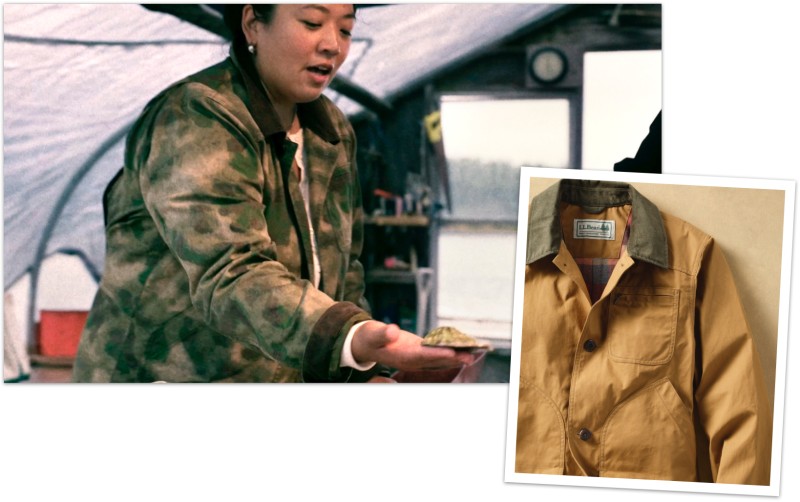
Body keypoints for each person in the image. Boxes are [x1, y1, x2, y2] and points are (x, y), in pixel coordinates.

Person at [72, 4, 475, 382]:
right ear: (252, 24)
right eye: (312, 23)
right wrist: (348, 337)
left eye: (346, 28)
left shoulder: (329, 129)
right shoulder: (198, 115)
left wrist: (361, 373)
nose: (333, 44)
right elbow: (232, 272)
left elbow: (343, 273)